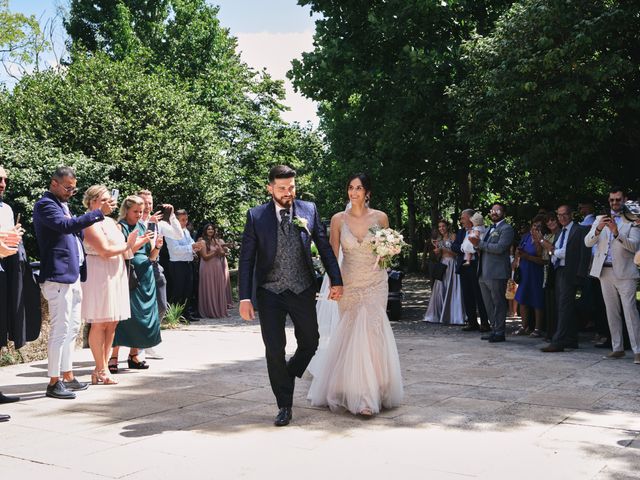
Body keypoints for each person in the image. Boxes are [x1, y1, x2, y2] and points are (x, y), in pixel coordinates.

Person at [238, 165, 343, 427]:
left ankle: (291, 370)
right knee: (274, 349)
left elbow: (324, 248)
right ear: (270, 188)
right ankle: (284, 405)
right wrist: (245, 298)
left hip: (301, 287)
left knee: (311, 340)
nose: (288, 192)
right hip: (269, 291)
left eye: (292, 187)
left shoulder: (309, 210)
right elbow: (247, 259)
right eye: (282, 188)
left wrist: (337, 280)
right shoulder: (256, 216)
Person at [308, 173, 403, 416]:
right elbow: (331, 255)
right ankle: (354, 390)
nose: (354, 192)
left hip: (375, 282)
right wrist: (335, 283)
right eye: (350, 187)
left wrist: (389, 251)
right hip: (349, 281)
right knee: (351, 333)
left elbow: (389, 253)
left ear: (367, 192)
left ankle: (369, 395)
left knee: (372, 332)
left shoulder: (381, 217)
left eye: (359, 188)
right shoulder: (339, 219)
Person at [33, 166, 114, 399]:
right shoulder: (45, 204)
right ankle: (53, 381)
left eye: (73, 188)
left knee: (72, 328)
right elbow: (65, 226)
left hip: (73, 275)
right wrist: (98, 212)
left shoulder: (63, 205)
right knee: (59, 329)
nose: (71, 192)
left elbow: (73, 232)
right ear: (54, 183)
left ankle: (67, 375)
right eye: (68, 187)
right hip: (58, 276)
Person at [81, 186, 142, 384]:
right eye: (104, 200)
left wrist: (132, 245)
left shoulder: (110, 222)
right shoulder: (89, 221)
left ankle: (104, 367)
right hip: (99, 272)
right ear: (92, 201)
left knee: (112, 321)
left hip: (116, 272)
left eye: (110, 199)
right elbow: (105, 250)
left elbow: (124, 251)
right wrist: (128, 244)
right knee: (99, 322)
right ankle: (99, 368)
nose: (110, 203)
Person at [584, 187, 640, 364]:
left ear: (624, 200)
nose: (615, 203)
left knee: (630, 312)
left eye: (618, 199)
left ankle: (638, 350)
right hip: (604, 271)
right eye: (612, 200)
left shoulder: (632, 219)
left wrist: (616, 232)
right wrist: (599, 229)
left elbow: (633, 246)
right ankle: (618, 348)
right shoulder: (600, 219)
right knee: (611, 311)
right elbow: (587, 242)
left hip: (625, 272)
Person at [111, 196, 162, 371]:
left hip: (146, 274)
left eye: (141, 211)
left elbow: (151, 257)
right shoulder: (120, 226)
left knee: (141, 317)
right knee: (124, 316)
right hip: (128, 274)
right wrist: (141, 240)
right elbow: (123, 252)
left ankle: (134, 355)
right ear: (126, 210)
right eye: (135, 211)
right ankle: (113, 357)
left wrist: (157, 247)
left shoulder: (143, 226)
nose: (139, 215)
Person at [536, 204, 590, 352]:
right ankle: (571, 339)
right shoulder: (561, 232)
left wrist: (553, 251)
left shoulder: (579, 230)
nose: (562, 218)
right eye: (559, 215)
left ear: (571, 214)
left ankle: (558, 341)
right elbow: (555, 252)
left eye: (564, 214)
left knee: (564, 306)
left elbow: (567, 253)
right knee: (564, 305)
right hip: (559, 270)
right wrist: (553, 252)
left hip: (570, 271)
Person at [469, 203, 515, 343]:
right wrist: (477, 247)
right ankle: (494, 329)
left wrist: (479, 244)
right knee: (488, 303)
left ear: (504, 213)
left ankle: (500, 331)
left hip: (497, 272)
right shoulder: (489, 228)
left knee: (498, 302)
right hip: (483, 271)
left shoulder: (506, 228)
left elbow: (500, 248)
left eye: (498, 210)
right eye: (492, 210)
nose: (494, 212)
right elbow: (484, 247)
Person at [0, 165, 23, 419]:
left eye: (5, 179)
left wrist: (13, 238)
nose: (3, 183)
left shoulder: (6, 209)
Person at [452, 209, 489, 332]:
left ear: (470, 218)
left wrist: (472, 248)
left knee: (480, 294)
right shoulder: (461, 232)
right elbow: (454, 246)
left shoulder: (480, 230)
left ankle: (485, 322)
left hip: (476, 265)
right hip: (463, 265)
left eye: (463, 218)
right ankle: (472, 322)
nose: (461, 220)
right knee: (467, 294)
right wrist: (464, 249)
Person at [423, 219, 465, 325]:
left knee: (452, 289)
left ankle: (453, 315)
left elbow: (457, 253)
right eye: (439, 227)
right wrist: (437, 252)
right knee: (440, 288)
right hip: (443, 264)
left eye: (443, 226)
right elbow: (440, 254)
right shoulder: (439, 239)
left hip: (452, 265)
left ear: (447, 226)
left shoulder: (453, 236)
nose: (441, 228)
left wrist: (444, 250)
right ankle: (438, 314)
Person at [165, 209, 203, 321]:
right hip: (177, 264)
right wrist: (191, 247)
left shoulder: (186, 231)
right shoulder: (170, 232)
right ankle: (173, 315)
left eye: (186, 219)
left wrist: (196, 247)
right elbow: (175, 249)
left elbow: (191, 243)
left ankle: (185, 314)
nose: (185, 222)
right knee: (178, 290)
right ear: (175, 220)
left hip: (187, 263)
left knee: (188, 290)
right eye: (182, 220)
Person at [513, 215, 546, 336]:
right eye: (534, 225)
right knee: (522, 299)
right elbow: (519, 250)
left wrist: (528, 256)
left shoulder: (543, 239)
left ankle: (538, 328)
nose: (535, 228)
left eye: (539, 226)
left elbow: (543, 259)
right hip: (524, 272)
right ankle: (524, 326)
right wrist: (517, 256)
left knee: (537, 300)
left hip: (537, 273)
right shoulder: (526, 237)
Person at [197, 222, 233, 318]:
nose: (211, 230)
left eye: (212, 229)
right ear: (205, 231)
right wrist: (215, 252)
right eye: (208, 229)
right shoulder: (202, 241)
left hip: (217, 267)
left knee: (218, 287)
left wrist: (221, 250)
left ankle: (219, 310)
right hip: (207, 267)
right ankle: (209, 311)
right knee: (209, 287)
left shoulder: (216, 241)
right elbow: (204, 257)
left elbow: (221, 254)